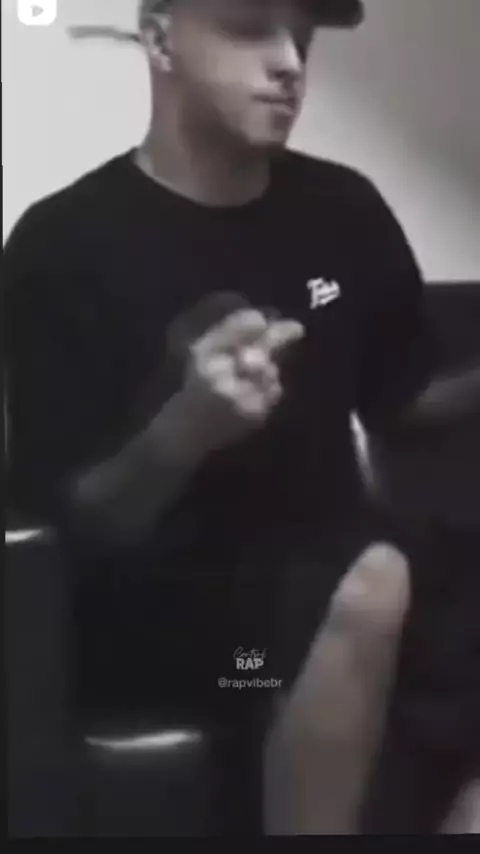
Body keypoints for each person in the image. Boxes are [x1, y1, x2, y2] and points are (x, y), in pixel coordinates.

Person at [5, 0, 480, 834]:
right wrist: (184, 430)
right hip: (186, 648)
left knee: (403, 581)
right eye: (250, 26)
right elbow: (77, 527)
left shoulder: (344, 208)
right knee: (365, 581)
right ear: (160, 39)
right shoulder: (61, 245)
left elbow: (401, 402)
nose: (289, 61)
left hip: (337, 568)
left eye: (302, 35)